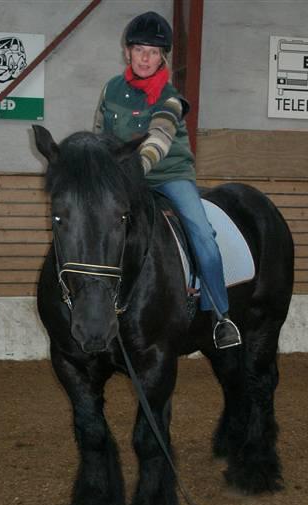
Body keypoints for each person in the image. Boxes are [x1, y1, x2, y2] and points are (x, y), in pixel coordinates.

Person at [93, 11, 241, 349]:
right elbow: (100, 134)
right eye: (140, 49)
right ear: (127, 52)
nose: (146, 57)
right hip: (123, 177)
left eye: (154, 51)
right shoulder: (110, 90)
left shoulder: (170, 97)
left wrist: (134, 170)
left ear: (163, 58)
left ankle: (221, 316)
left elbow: (158, 140)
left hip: (169, 175)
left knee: (202, 233)